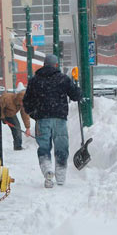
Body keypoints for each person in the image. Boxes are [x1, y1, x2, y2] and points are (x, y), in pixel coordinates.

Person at [23, 54, 82, 188]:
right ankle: (60, 176)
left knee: (44, 147)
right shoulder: (63, 79)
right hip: (60, 118)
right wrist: (78, 89)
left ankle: (48, 170)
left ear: (44, 65)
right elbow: (75, 95)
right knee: (61, 147)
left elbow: (27, 102)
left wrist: (34, 114)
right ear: (56, 65)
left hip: (42, 118)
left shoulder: (34, 81)